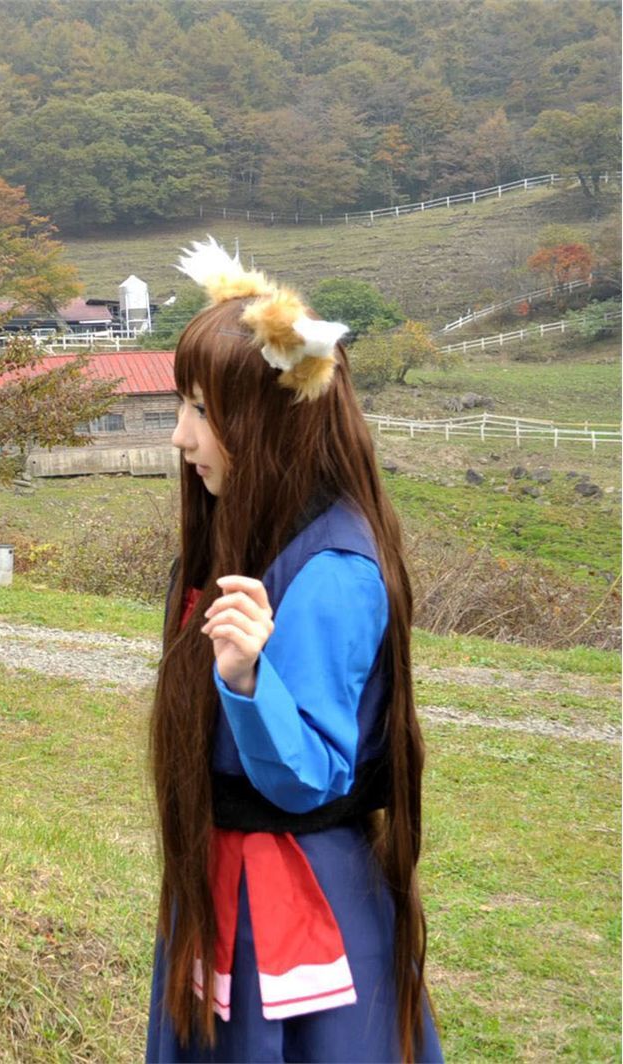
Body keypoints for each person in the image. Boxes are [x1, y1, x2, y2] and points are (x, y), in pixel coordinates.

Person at [144, 238, 443, 1063]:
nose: (180, 436)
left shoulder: (334, 571)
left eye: (202, 412)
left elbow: (310, 774)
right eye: (184, 407)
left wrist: (245, 682)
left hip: (290, 895)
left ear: (271, 419)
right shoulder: (252, 532)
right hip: (227, 878)